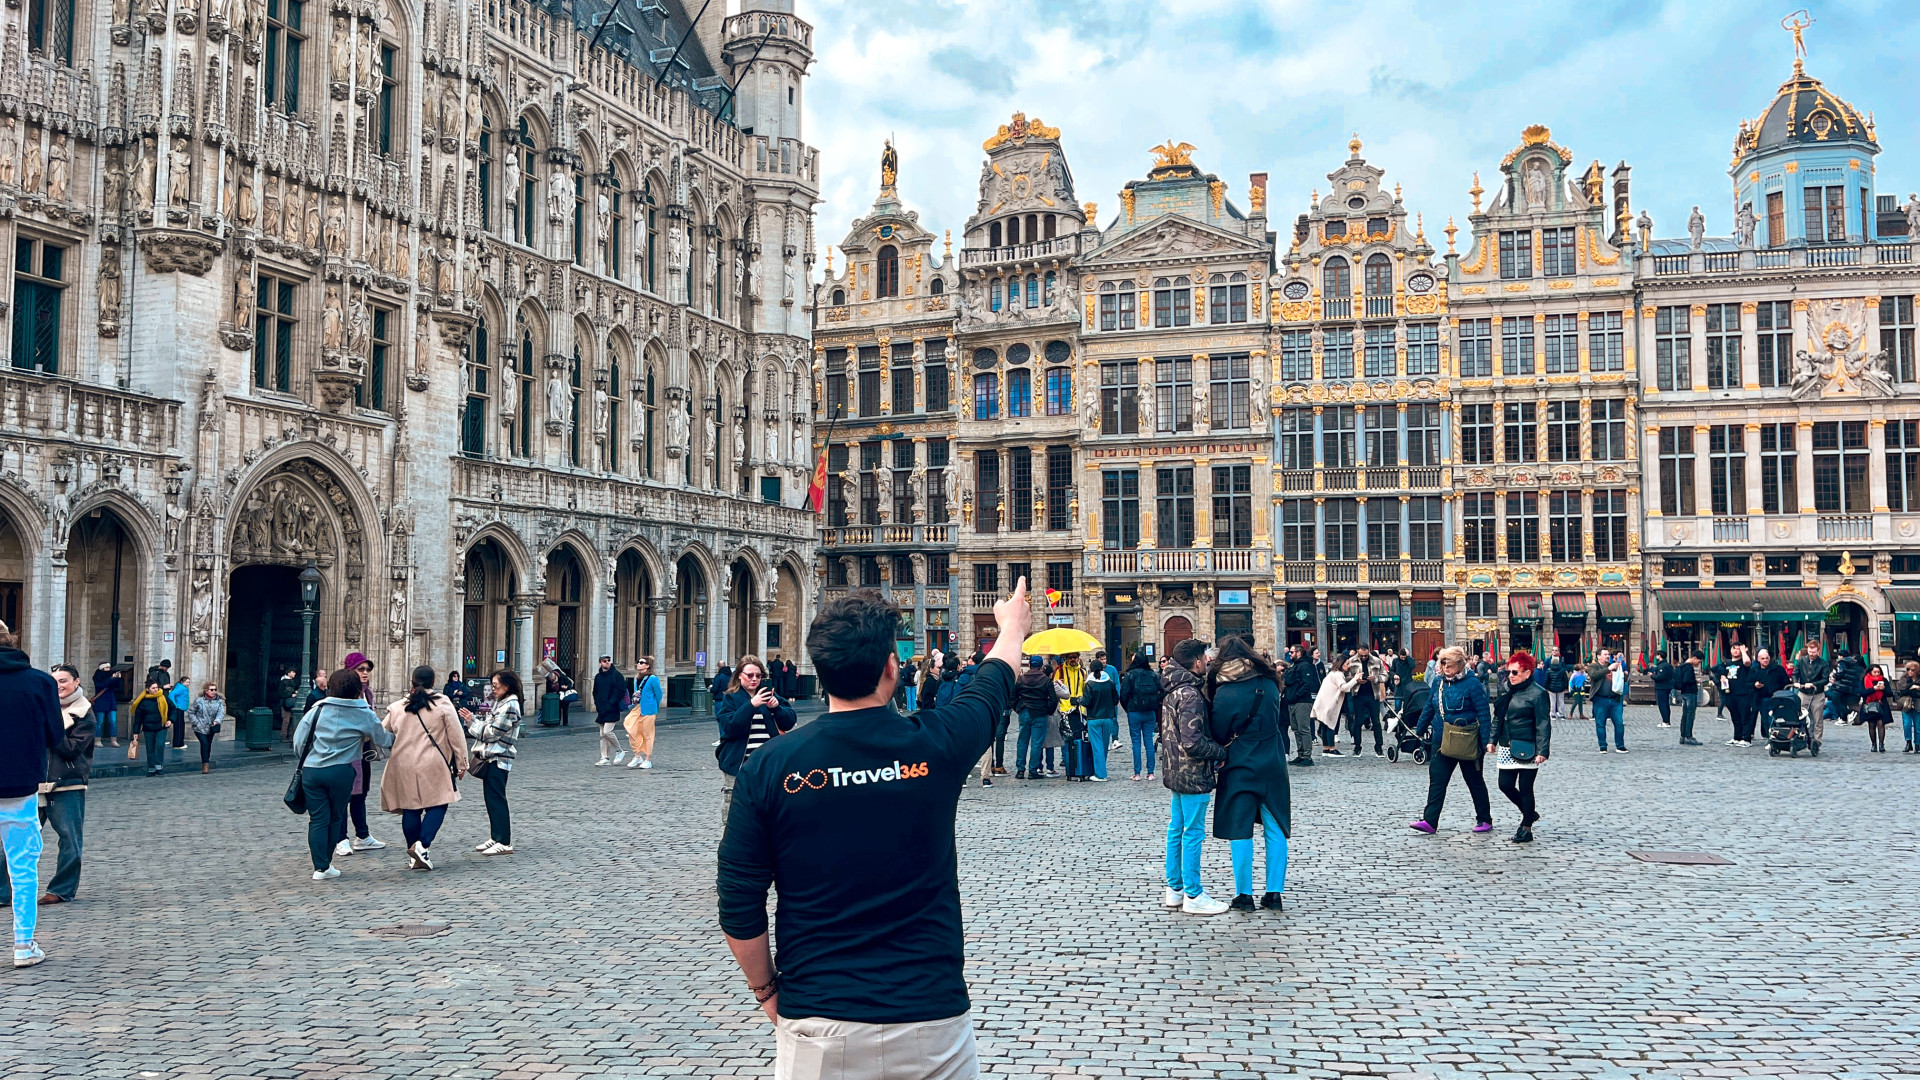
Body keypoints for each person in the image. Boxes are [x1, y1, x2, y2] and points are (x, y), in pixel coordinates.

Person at [718, 580, 1028, 1076]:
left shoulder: (771, 765)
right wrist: (1011, 625)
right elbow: (992, 684)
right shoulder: (935, 744)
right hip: (930, 1017)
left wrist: (767, 991)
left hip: (819, 1016)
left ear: (819, 673)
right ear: (891, 667)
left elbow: (738, 902)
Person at [1206, 637, 1290, 912]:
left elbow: (1219, 732)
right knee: (1275, 826)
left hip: (1240, 761)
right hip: (1272, 759)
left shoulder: (1226, 691)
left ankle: (1245, 894)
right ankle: (1274, 893)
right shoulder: (1270, 682)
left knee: (1240, 829)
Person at [290, 669, 394, 881]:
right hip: (342, 770)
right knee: (336, 816)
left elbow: (299, 742)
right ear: (357, 690)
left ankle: (320, 866)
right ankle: (326, 865)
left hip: (313, 770)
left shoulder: (316, 711)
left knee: (317, 819)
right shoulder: (363, 712)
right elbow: (384, 739)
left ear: (331, 687)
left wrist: (310, 758)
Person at [0, 622, 61, 967]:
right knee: (22, 868)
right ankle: (23, 944)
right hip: (19, 785)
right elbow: (54, 735)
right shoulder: (40, 682)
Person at [1159, 636, 1229, 916]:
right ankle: (1193, 893)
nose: (1208, 661)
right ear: (1197, 661)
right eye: (1205, 657)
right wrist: (1221, 752)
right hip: (1192, 773)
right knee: (1192, 833)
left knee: (1176, 829)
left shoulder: (1172, 688)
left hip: (1174, 769)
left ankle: (1175, 888)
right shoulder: (1189, 693)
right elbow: (1192, 741)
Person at [381, 665, 469, 870]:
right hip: (433, 762)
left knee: (410, 808)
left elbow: (381, 733)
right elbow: (456, 735)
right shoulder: (442, 703)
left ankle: (414, 852)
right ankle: (422, 845)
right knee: (439, 803)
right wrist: (461, 762)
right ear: (433, 682)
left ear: (412, 681)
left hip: (402, 764)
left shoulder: (397, 707)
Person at [20, 663, 92, 911]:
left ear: (76, 682)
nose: (59, 686)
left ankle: (61, 890)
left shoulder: (85, 713)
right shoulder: (41, 707)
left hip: (67, 783)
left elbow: (72, 750)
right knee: (17, 838)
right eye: (55, 681)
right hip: (32, 782)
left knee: (69, 839)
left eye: (63, 681)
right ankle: (3, 891)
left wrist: (49, 729)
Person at [1411, 646, 1493, 835]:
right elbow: (1429, 707)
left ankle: (1484, 818)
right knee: (1437, 781)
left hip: (1467, 740)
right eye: (1442, 663)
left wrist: (1485, 742)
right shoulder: (1438, 682)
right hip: (1442, 740)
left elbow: (1483, 713)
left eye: (1449, 664)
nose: (1445, 667)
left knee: (1474, 781)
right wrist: (1420, 730)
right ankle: (1430, 821)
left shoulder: (1472, 683)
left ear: (1460, 664)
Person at [715, 656, 796, 827]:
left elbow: (789, 721)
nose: (754, 679)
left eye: (758, 676)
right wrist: (751, 705)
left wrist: (777, 708)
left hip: (769, 766)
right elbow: (730, 727)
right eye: (749, 675)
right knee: (735, 812)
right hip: (738, 764)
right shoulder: (731, 698)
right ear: (739, 676)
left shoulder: (770, 695)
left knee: (769, 810)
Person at [459, 670, 523, 856]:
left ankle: (504, 841)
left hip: (500, 758)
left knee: (497, 799)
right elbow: (488, 727)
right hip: (491, 757)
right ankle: (496, 837)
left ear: (507, 686)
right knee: (491, 799)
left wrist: (472, 722)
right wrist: (476, 722)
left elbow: (491, 733)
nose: (493, 689)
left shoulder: (510, 706)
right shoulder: (500, 703)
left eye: (496, 686)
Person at [1490, 652, 1551, 844]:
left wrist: (1543, 750)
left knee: (1526, 788)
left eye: (1515, 672)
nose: (1510, 675)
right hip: (1507, 744)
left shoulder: (1538, 693)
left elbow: (1543, 723)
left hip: (1527, 745)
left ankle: (1526, 828)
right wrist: (1492, 739)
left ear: (1527, 673)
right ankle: (1530, 813)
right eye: (1508, 671)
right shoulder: (1506, 689)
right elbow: (1498, 717)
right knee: (1505, 785)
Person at [335, 652, 386, 856]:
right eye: (360, 669)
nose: (365, 673)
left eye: (367, 669)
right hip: (347, 751)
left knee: (361, 793)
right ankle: (341, 838)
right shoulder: (343, 694)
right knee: (344, 795)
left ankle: (362, 835)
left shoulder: (368, 693)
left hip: (364, 750)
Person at [1013, 657, 1058, 780]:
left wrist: (1018, 708)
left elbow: (1013, 695)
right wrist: (1048, 710)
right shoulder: (1045, 680)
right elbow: (1053, 699)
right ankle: (1033, 770)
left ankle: (1020, 770)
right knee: (1036, 743)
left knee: (1022, 741)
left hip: (1025, 710)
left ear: (1029, 664)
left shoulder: (1022, 679)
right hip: (1040, 712)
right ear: (1041, 666)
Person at [1120, 650, 1163, 780]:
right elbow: (1161, 691)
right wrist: (1155, 705)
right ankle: (1151, 772)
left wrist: (1128, 708)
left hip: (1134, 711)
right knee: (1148, 741)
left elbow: (1123, 695)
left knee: (1136, 742)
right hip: (1149, 711)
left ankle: (1137, 773)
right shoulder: (1152, 674)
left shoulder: (1130, 675)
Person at [1310, 660, 1363, 758]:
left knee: (1325, 725)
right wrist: (1355, 679)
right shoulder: (1338, 674)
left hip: (1324, 701)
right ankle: (1331, 749)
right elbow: (1344, 687)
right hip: (1329, 702)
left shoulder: (1332, 673)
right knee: (1330, 725)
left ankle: (1326, 748)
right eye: (1346, 664)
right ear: (1341, 664)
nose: (1348, 666)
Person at [1079, 654, 1119, 782]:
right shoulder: (1109, 682)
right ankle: (1101, 769)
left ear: (1090, 669)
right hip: (1108, 718)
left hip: (1094, 718)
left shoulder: (1090, 684)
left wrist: (1078, 700)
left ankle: (1100, 774)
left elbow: (1086, 701)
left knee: (1097, 746)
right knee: (1104, 745)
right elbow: (1115, 700)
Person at [1281, 644, 1319, 767]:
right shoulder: (1294, 665)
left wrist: (1295, 695)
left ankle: (1307, 756)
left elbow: (1306, 685)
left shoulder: (1305, 666)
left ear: (1298, 653)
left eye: (1292, 652)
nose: (1290, 655)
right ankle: (1301, 754)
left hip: (1302, 702)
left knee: (1304, 729)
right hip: (1292, 701)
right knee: (1296, 730)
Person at [1346, 644, 1385, 757]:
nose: (1363, 657)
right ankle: (1357, 747)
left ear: (1369, 651)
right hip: (1358, 694)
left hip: (1373, 694)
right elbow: (1346, 676)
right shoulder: (1351, 660)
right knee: (1358, 721)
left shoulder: (1377, 661)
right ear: (1357, 652)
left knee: (1376, 722)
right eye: (1361, 655)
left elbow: (1385, 676)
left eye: (1365, 655)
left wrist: (1375, 679)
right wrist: (1356, 680)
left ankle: (1379, 747)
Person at [624, 656, 662, 770]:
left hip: (649, 709)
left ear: (647, 665)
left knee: (647, 734)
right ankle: (637, 755)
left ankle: (647, 759)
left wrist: (655, 706)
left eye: (641, 662)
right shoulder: (636, 678)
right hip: (637, 707)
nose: (638, 664)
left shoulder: (653, 678)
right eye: (638, 662)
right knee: (630, 727)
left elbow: (658, 694)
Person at [129, 676, 171, 775]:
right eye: (153, 688)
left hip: (161, 726)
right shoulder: (143, 702)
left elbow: (172, 709)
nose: (156, 690)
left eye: (156, 687)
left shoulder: (163, 697)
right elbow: (138, 719)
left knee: (160, 745)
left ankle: (159, 766)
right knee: (150, 748)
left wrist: (170, 720)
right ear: (148, 689)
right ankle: (151, 767)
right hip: (148, 728)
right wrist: (136, 732)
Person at [591, 655, 629, 766]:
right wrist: (597, 703)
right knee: (602, 735)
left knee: (607, 732)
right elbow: (595, 691)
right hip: (602, 708)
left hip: (612, 708)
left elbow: (621, 690)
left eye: (608, 661)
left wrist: (612, 702)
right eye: (604, 661)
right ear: (600, 663)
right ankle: (605, 757)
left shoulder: (616, 675)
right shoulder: (598, 677)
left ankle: (619, 750)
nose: (607, 663)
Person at [1792, 639, 1831, 747]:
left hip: (1817, 694)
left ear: (1818, 651)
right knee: (1799, 717)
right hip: (1803, 693)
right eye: (1810, 652)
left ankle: (1817, 741)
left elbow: (1825, 679)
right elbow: (1795, 673)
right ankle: (1800, 737)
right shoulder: (1801, 661)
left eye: (1814, 652)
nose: (1812, 654)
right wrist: (1795, 682)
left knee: (1817, 718)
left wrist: (1813, 683)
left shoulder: (1823, 663)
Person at [1588, 648, 1627, 753]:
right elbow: (1594, 675)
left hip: (1615, 699)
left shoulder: (1614, 665)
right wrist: (1608, 669)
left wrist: (1622, 671)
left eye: (1608, 654)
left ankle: (1620, 745)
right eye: (1605, 654)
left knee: (1619, 723)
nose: (1607, 656)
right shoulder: (1593, 666)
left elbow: (1623, 679)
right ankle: (1603, 746)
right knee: (1600, 723)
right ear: (1598, 656)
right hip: (1600, 699)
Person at [185, 681, 226, 773]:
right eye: (211, 690)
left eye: (215, 690)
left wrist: (217, 720)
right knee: (204, 743)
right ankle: (205, 764)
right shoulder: (199, 700)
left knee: (208, 744)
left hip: (211, 726)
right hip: (199, 727)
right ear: (206, 691)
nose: (214, 691)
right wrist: (197, 722)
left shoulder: (219, 701)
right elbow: (191, 712)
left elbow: (221, 712)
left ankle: (206, 760)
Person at [1674, 655, 1703, 746]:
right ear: (1694, 658)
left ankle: (1683, 736)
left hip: (1683, 692)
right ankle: (1688, 736)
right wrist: (1695, 681)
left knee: (1685, 714)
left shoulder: (1681, 666)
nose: (1698, 664)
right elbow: (1687, 680)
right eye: (1699, 661)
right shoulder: (1689, 667)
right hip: (1690, 692)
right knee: (1690, 714)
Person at [1861, 664, 1892, 753]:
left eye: (1878, 672)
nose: (1877, 674)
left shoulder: (1884, 680)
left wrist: (1883, 689)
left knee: (1881, 724)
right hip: (1869, 705)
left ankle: (1881, 744)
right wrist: (1873, 688)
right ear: (1870, 672)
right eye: (1875, 672)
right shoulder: (1865, 680)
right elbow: (1862, 692)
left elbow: (1890, 693)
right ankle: (1873, 744)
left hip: (1881, 705)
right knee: (1871, 725)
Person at [93, 664, 122, 748]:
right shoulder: (97, 676)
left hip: (111, 701)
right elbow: (100, 686)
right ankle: (97, 739)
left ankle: (114, 740)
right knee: (100, 722)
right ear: (102, 669)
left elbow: (118, 688)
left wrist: (118, 679)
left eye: (109, 667)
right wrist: (111, 679)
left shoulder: (111, 676)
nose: (108, 669)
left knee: (113, 721)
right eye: (106, 668)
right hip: (101, 701)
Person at [1895, 660, 1920, 753]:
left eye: (1912, 670)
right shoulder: (1904, 678)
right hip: (1906, 704)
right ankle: (1908, 742)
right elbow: (1901, 690)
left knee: (1918, 726)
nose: (1910, 671)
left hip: (1918, 704)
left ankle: (1917, 744)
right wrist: (1912, 687)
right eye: (1908, 669)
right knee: (1907, 724)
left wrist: (1917, 688)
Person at [1647, 653, 1675, 730]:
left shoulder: (1663, 666)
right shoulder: (1666, 665)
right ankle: (1666, 721)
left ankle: (1665, 721)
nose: (1656, 656)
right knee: (1665, 704)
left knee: (1662, 704)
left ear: (1659, 656)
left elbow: (1660, 677)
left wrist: (1652, 675)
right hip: (1666, 687)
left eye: (1657, 655)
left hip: (1662, 687)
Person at [166, 674, 192, 751]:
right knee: (179, 726)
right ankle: (178, 743)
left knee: (179, 726)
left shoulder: (180, 687)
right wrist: (175, 704)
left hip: (180, 708)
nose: (188, 684)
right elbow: (171, 694)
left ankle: (179, 743)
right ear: (182, 682)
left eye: (189, 682)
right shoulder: (181, 688)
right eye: (187, 682)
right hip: (179, 708)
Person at [1542, 654, 1570, 722]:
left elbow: (1547, 680)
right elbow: (1565, 679)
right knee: (1561, 701)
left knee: (1552, 701)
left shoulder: (1549, 670)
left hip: (1551, 688)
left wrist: (1546, 687)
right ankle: (1561, 714)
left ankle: (1553, 714)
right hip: (1561, 687)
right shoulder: (1562, 670)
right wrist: (1566, 687)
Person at [277, 667, 300, 735]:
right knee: (286, 720)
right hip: (285, 703)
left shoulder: (293, 681)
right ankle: (283, 735)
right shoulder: (283, 681)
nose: (294, 674)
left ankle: (290, 735)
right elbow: (281, 693)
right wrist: (291, 694)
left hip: (291, 702)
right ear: (289, 672)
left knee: (292, 720)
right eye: (293, 672)